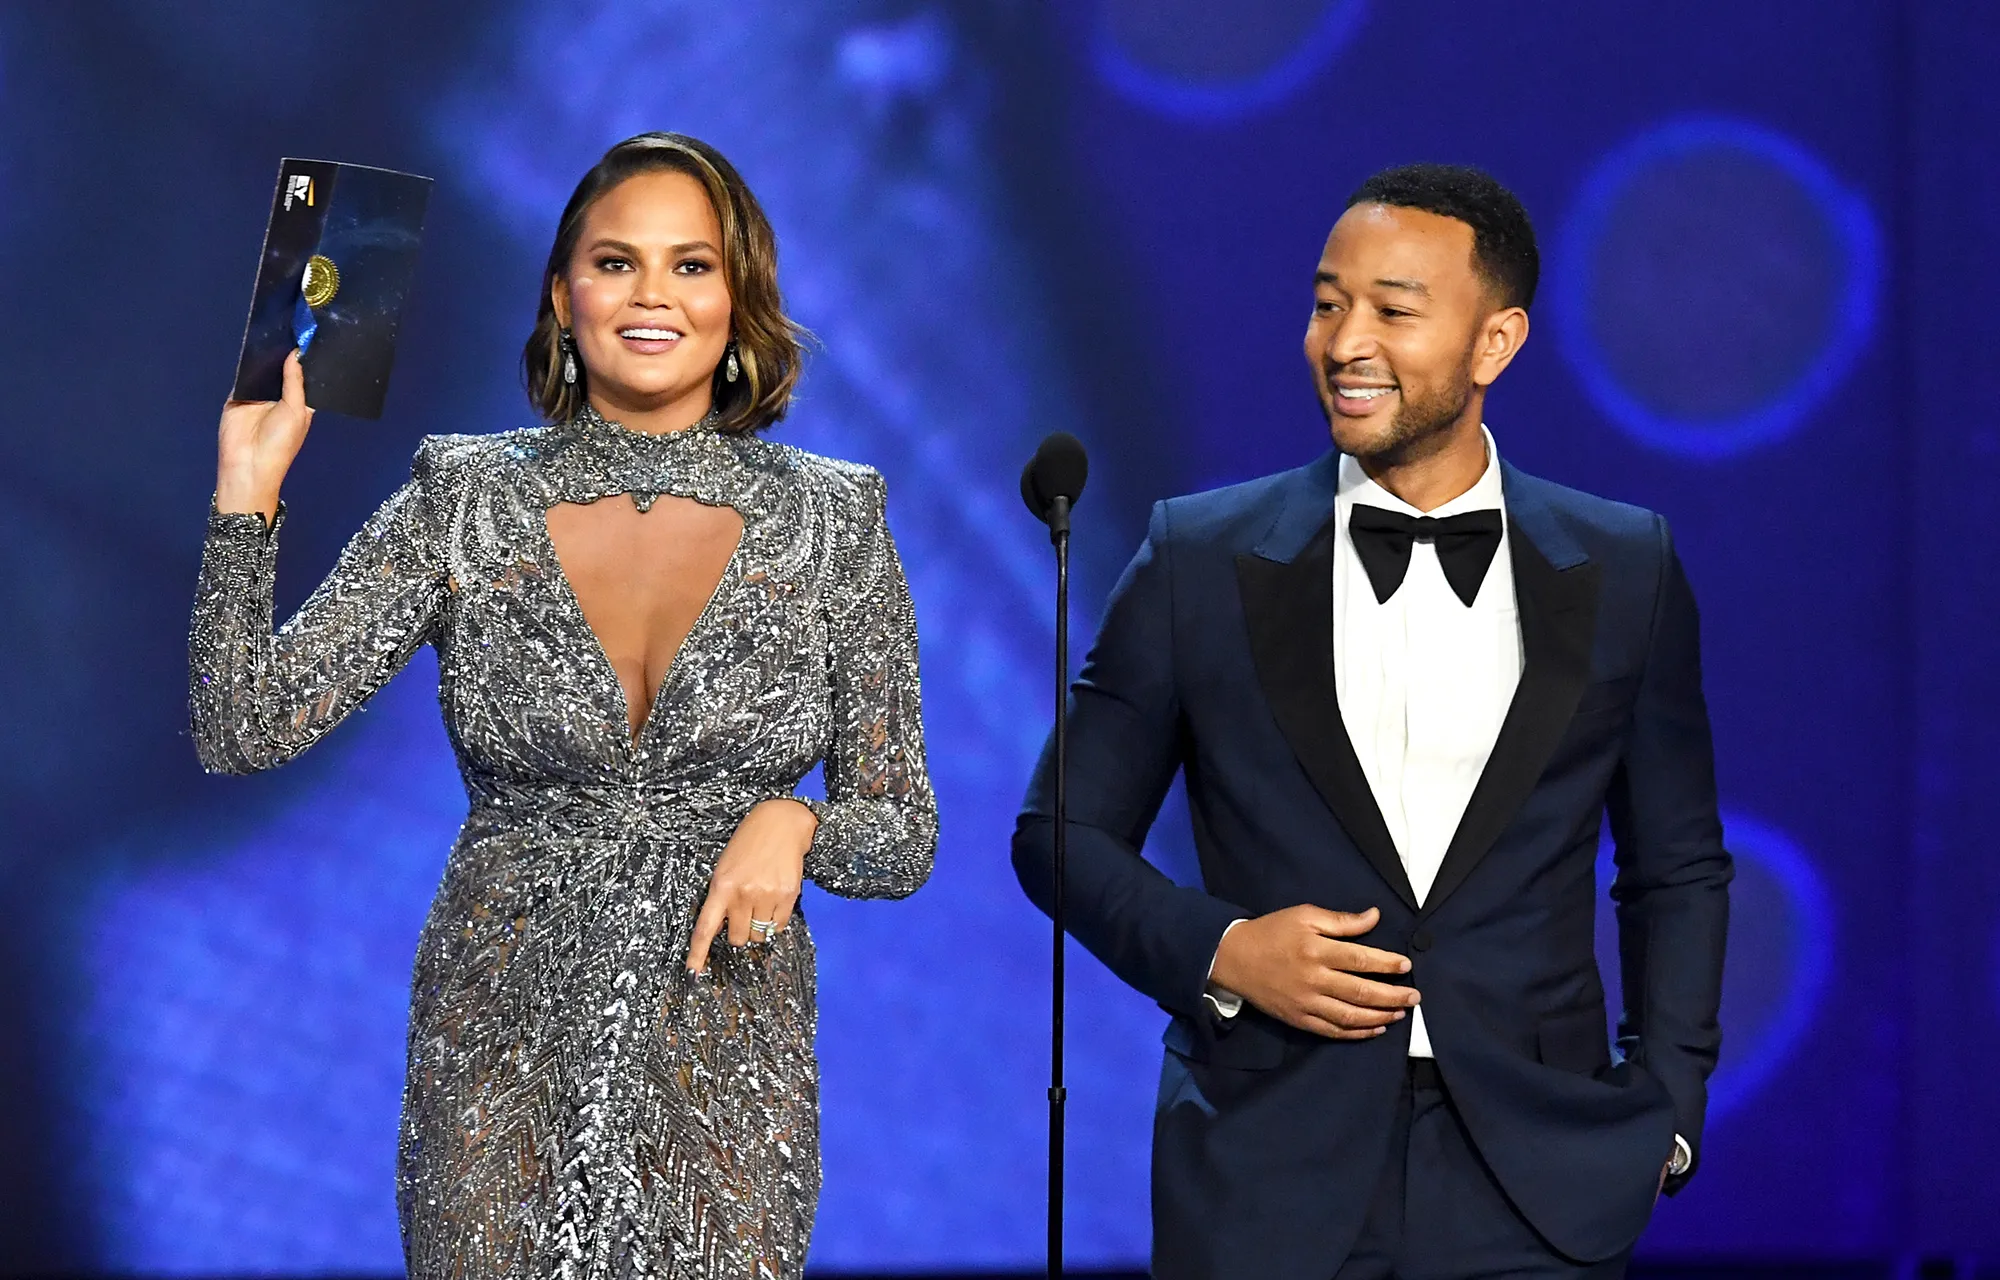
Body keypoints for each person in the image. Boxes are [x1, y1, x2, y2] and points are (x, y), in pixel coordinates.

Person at [190, 132, 937, 1278]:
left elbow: (901, 831)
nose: (651, 295)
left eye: (691, 265)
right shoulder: (463, 496)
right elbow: (245, 724)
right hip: (495, 1060)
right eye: (614, 261)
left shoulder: (833, 521)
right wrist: (247, 495)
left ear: (738, 297)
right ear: (561, 293)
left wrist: (797, 822)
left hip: (725, 1078)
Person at [1013, 164, 1731, 1280]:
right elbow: (1058, 832)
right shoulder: (1199, 558)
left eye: (1393, 311)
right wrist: (1222, 949)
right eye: (1326, 304)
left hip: (1537, 1174)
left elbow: (1675, 867)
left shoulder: (1623, 564)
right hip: (1266, 1166)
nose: (1345, 342)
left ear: (1495, 342)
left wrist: (1666, 1109)